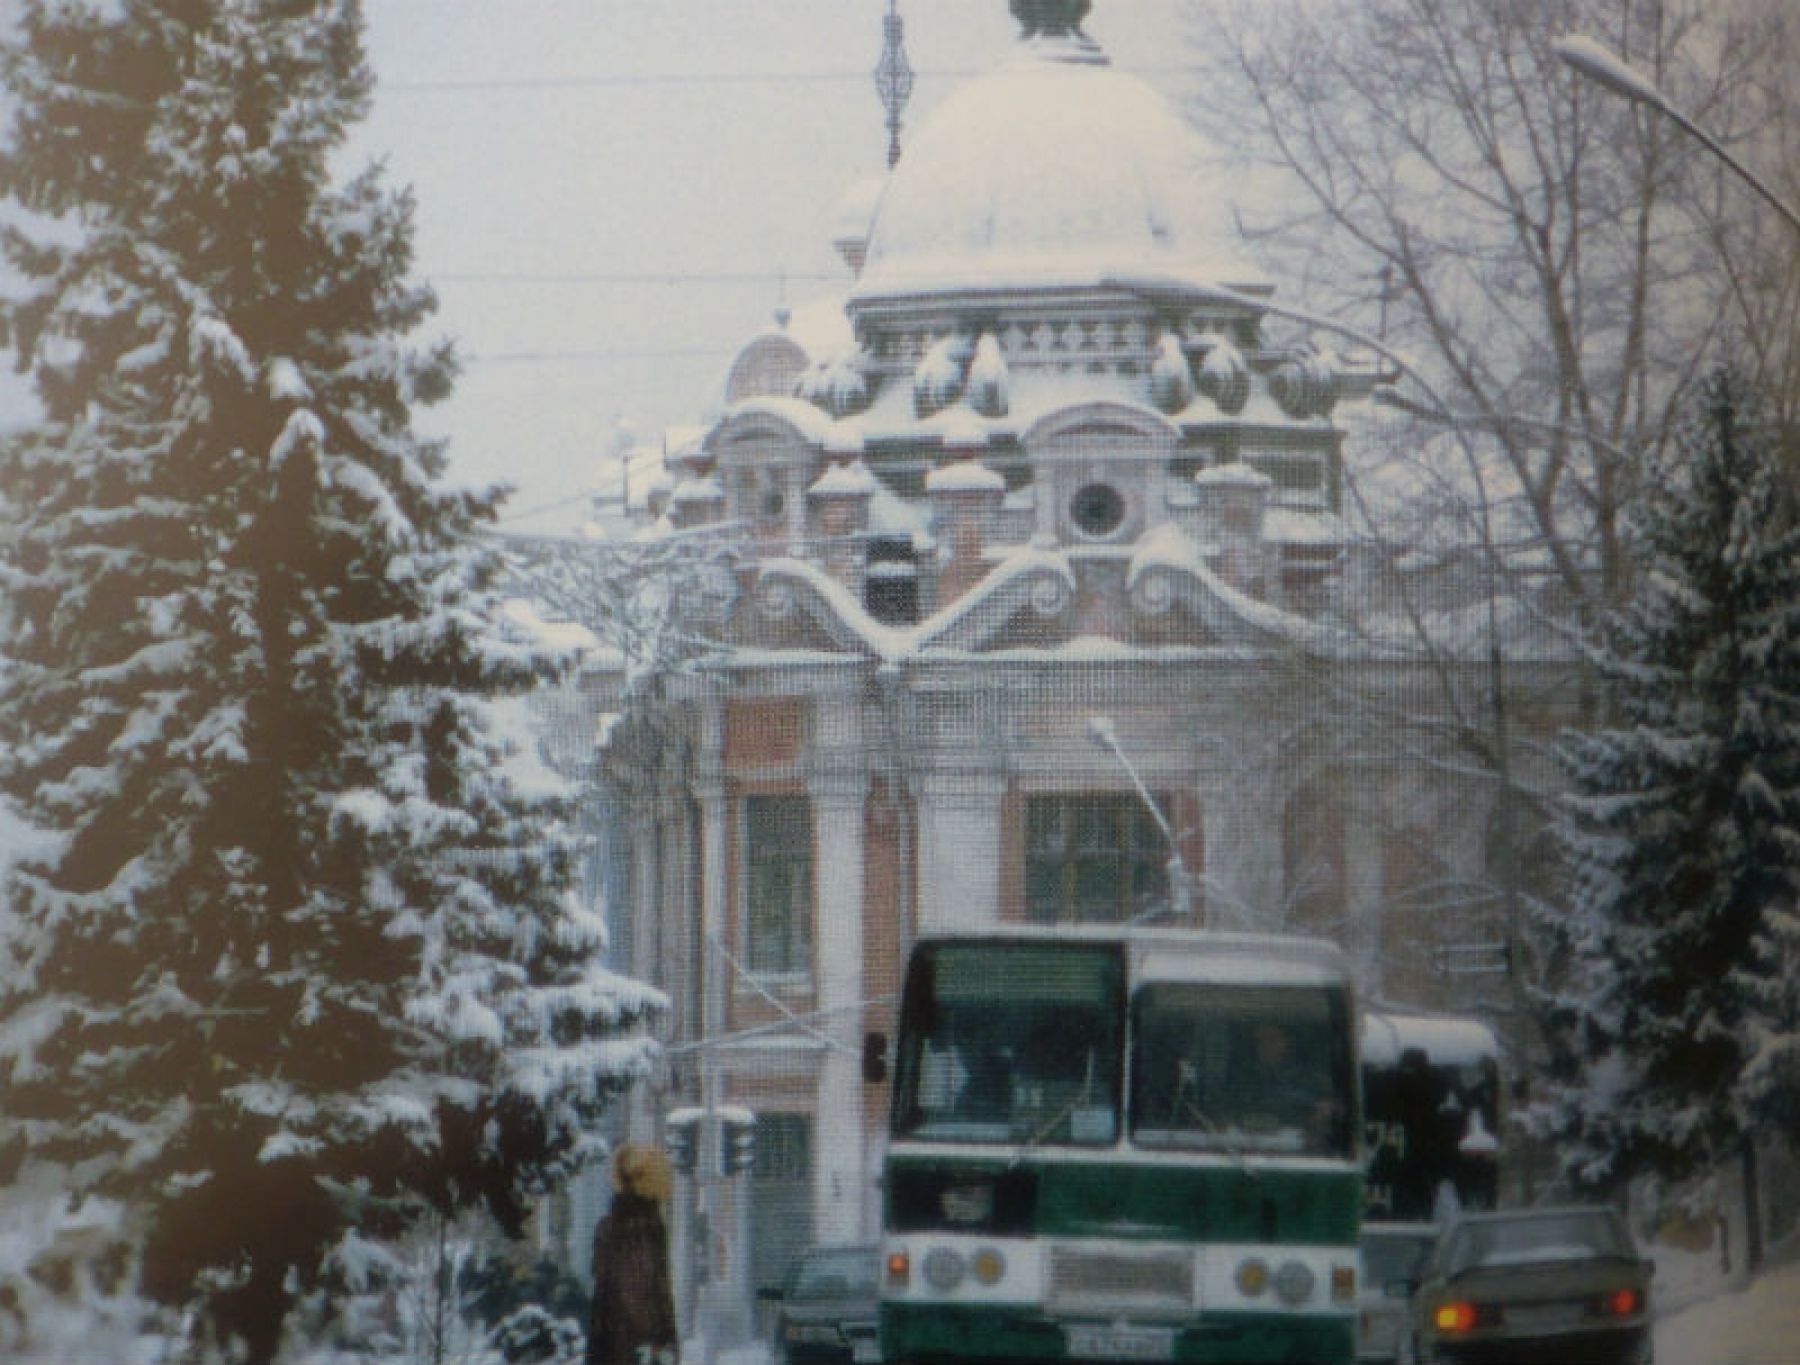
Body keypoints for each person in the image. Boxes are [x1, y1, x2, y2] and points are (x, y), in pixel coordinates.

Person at [586, 1143, 678, 1365]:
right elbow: (638, 1288)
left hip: (609, 1344)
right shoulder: (641, 1227)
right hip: (634, 1349)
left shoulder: (611, 1225)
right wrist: (654, 1344)